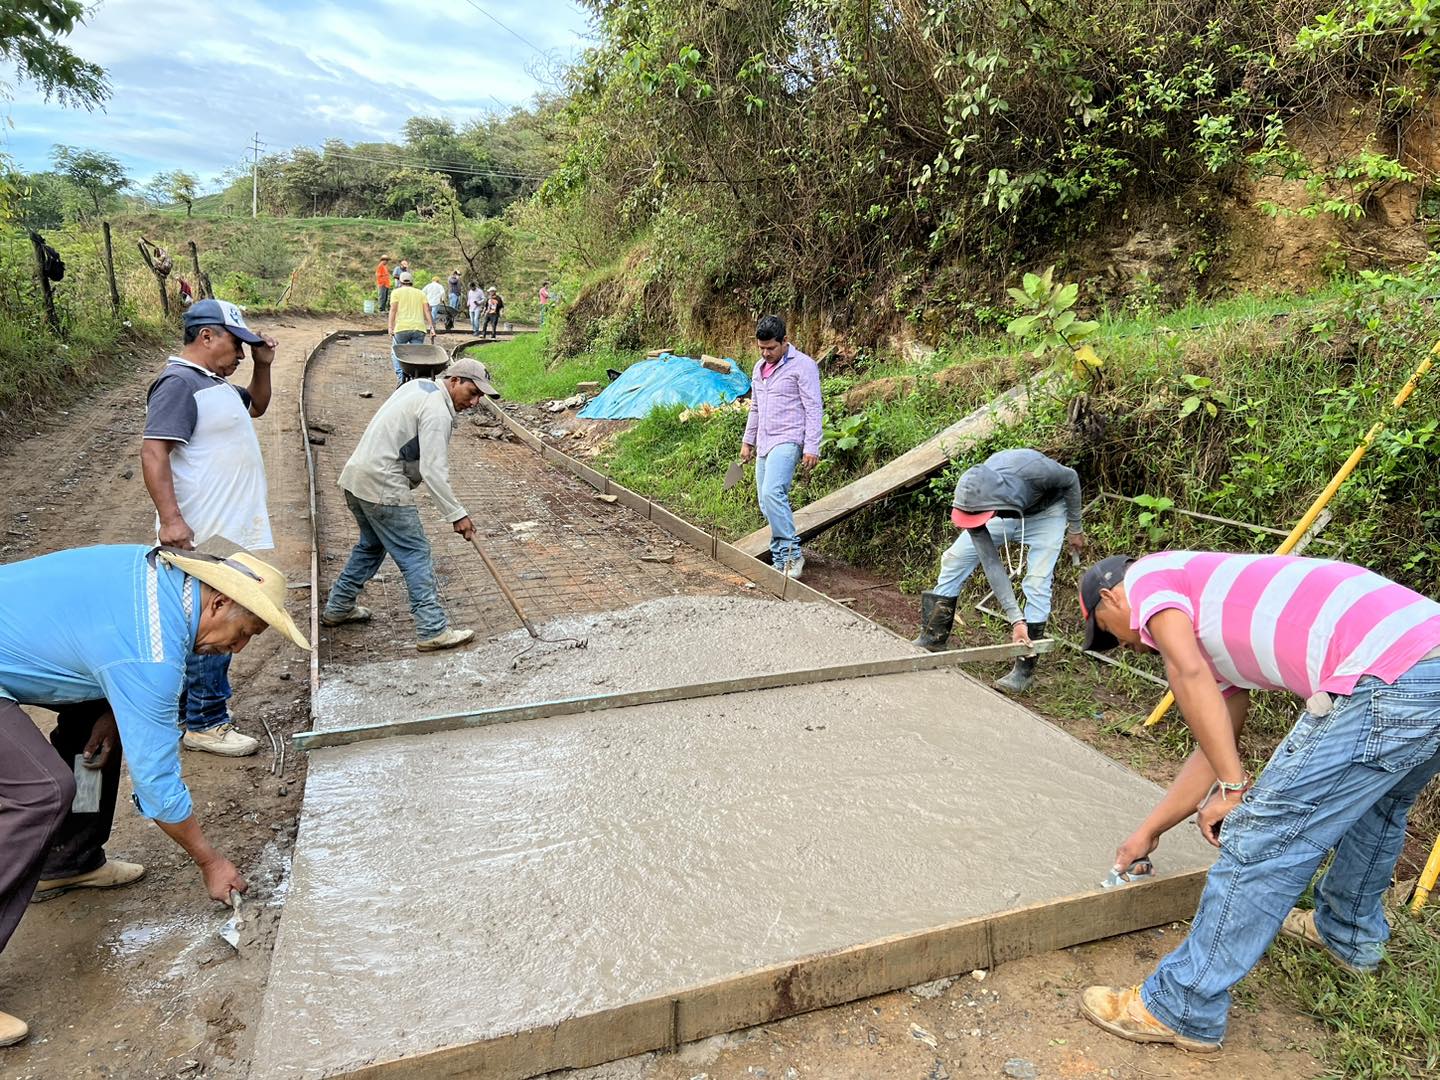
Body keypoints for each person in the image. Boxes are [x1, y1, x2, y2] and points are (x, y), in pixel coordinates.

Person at [1076, 551, 1440, 1053]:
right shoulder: (1208, 623)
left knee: (1262, 834)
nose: (1122, 645)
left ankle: (1182, 1006)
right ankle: (1349, 935)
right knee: (1378, 808)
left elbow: (1187, 675)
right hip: (1425, 659)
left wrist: (1234, 790)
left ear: (1112, 596)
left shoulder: (1148, 581)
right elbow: (1214, 744)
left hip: (1389, 674)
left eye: (1108, 630)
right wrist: (1148, 832)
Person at [0, 543, 309, 1046]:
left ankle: (70, 861)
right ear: (217, 605)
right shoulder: (154, 652)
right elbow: (159, 785)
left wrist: (108, 711)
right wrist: (210, 861)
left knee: (91, 741)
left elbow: (96, 637)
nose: (237, 650)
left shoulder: (160, 581)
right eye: (244, 634)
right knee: (39, 793)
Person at [141, 299, 278, 757]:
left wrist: (263, 365)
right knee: (217, 622)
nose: (241, 353)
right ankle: (206, 721)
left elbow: (257, 406)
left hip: (223, 530)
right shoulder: (179, 383)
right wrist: (173, 520)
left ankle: (189, 714)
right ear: (206, 336)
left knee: (203, 622)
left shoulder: (213, 384)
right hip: (201, 530)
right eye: (237, 343)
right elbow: (154, 451)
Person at [322, 359, 500, 652]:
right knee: (415, 553)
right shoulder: (437, 411)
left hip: (357, 479)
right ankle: (432, 629)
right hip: (383, 486)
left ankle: (339, 606)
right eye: (472, 392)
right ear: (454, 380)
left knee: (371, 545)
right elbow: (433, 470)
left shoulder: (417, 387)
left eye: (480, 396)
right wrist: (458, 514)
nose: (475, 401)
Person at [911, 448, 1086, 693]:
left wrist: (1075, 528)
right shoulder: (974, 497)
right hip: (1000, 512)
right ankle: (933, 639)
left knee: (1037, 581)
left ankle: (1024, 671)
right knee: (953, 559)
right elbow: (992, 563)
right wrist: (1016, 618)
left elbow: (1070, 478)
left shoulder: (1034, 472)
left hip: (1047, 513)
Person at [739, 314, 822, 579]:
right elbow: (755, 407)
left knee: (774, 492)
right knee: (766, 501)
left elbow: (813, 407)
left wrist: (812, 446)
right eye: (761, 348)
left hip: (788, 439)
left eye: (771, 348)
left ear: (785, 341)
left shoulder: (803, 366)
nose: (765, 353)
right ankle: (780, 556)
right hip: (764, 440)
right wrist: (747, 440)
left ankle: (790, 556)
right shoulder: (758, 369)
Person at [387, 271, 435, 385]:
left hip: (402, 328)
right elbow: (427, 311)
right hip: (419, 329)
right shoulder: (421, 293)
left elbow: (393, 310)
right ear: (412, 282)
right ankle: (415, 376)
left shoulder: (396, 292)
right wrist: (432, 327)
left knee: (396, 352)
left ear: (400, 281)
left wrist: (390, 327)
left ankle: (400, 376)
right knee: (416, 355)